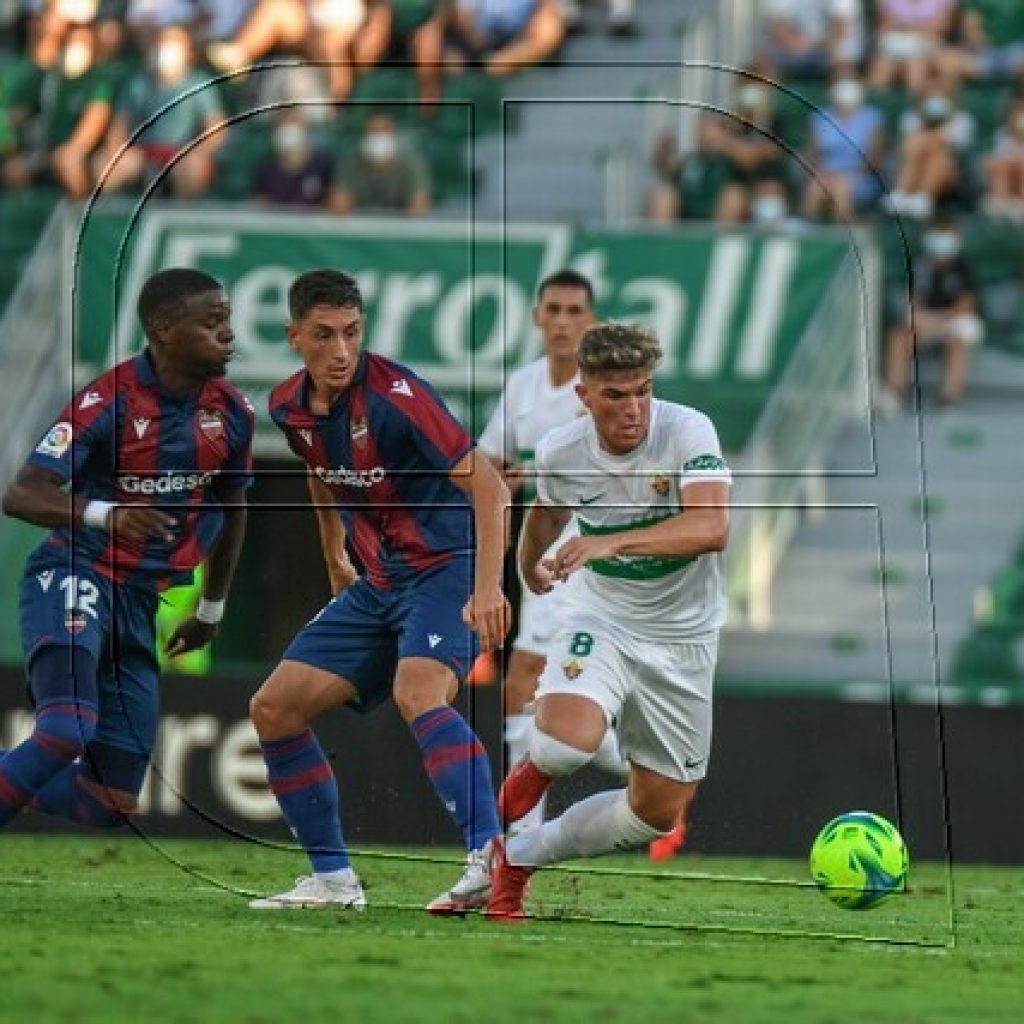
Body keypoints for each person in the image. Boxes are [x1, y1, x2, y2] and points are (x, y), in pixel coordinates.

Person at [248, 269, 511, 913]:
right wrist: (335, 552)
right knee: (273, 708)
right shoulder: (287, 406)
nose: (341, 350)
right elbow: (319, 468)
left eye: (352, 333)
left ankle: (491, 860)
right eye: (324, 335)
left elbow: (491, 487)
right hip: (379, 581)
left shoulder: (396, 396)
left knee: (416, 691)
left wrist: (486, 590)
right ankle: (334, 883)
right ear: (294, 337)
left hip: (444, 567)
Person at [485, 322, 731, 920]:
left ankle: (518, 855)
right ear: (585, 396)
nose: (634, 409)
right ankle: (499, 850)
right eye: (616, 395)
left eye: (643, 390)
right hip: (602, 616)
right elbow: (547, 510)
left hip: (685, 638)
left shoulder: (688, 430)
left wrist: (608, 544)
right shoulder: (561, 449)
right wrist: (527, 567)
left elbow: (711, 528)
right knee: (566, 745)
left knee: (656, 813)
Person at [0, 268, 253, 833]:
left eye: (229, 320)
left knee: (108, 802)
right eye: (213, 322)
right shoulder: (105, 400)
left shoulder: (232, 413)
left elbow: (234, 509)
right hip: (76, 571)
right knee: (65, 728)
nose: (229, 333)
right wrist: (106, 515)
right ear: (164, 329)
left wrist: (211, 609)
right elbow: (21, 494)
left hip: (141, 601)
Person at [477, 270, 627, 834]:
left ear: (591, 322)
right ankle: (642, 772)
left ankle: (518, 836)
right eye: (554, 311)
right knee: (547, 694)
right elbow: (488, 462)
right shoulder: (522, 386)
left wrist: (534, 477)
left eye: (574, 312)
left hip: (583, 554)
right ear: (538, 317)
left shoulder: (601, 393)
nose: (563, 322)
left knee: (525, 679)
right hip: (537, 551)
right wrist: (501, 483)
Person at [881, 217, 984, 411]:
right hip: (926, 321)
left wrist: (938, 322)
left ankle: (949, 397)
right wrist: (921, 319)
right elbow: (914, 300)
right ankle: (893, 393)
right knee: (899, 337)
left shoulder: (963, 267)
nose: (941, 243)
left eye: (946, 237)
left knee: (960, 341)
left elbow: (966, 306)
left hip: (951, 321)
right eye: (938, 237)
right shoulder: (920, 265)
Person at [802, 66, 885, 222]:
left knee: (842, 187)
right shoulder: (820, 117)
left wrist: (845, 175)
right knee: (816, 186)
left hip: (859, 177)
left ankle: (845, 237)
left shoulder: (872, 118)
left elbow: (874, 161)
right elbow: (812, 155)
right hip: (826, 173)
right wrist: (822, 173)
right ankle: (809, 235)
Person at [328, 111, 431, 216]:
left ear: (393, 134)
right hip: (361, 224)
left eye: (384, 130)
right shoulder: (351, 161)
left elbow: (419, 205)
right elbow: (339, 204)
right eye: (373, 131)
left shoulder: (412, 162)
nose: (378, 136)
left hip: (400, 226)